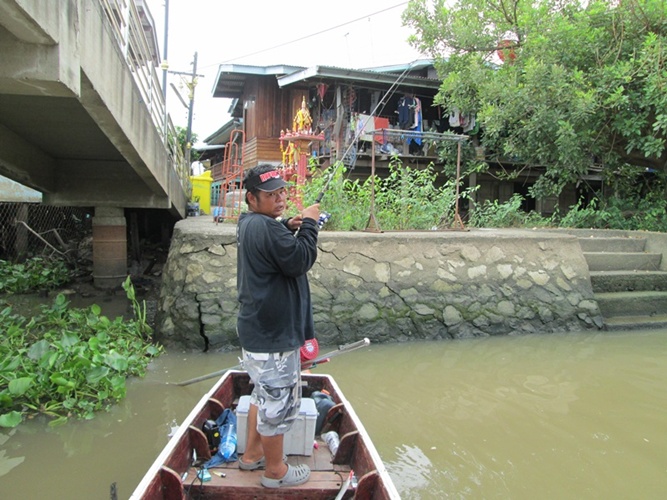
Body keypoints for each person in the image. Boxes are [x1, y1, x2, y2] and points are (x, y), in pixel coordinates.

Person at [236, 164, 320, 488]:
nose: (280, 198)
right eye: (271, 195)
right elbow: (300, 259)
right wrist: (310, 224)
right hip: (272, 338)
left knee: (262, 395)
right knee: (277, 405)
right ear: (252, 198)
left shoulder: (250, 223)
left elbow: (272, 240)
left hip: (258, 333)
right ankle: (275, 472)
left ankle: (251, 455)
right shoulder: (267, 228)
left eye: (282, 191)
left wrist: (287, 224)